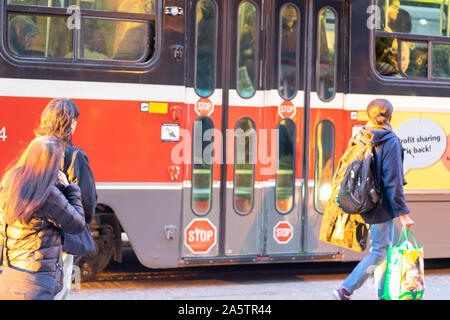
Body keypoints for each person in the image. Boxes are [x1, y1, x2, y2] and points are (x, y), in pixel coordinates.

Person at [333, 99, 414, 300]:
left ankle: (382, 294)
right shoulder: (390, 141)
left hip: (360, 201)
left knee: (387, 249)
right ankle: (345, 289)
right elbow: (392, 182)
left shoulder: (361, 136)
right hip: (379, 205)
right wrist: (403, 214)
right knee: (379, 252)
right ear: (390, 117)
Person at [0, 136, 86, 299]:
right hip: (36, 280)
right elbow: (77, 224)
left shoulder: (10, 180)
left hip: (10, 272)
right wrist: (70, 188)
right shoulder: (47, 193)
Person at [35, 98, 97, 300]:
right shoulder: (74, 155)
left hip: (34, 236)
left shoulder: (35, 151)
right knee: (58, 290)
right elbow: (87, 201)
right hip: (61, 238)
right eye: (75, 120)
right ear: (70, 124)